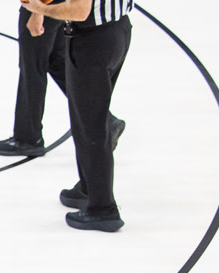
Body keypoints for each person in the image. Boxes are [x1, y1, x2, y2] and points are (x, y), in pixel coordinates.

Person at [25, 0, 133, 231]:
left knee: (90, 126)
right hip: (118, 30)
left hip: (92, 41)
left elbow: (80, 10)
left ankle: (103, 209)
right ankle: (89, 188)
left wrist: (40, 10)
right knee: (90, 118)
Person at [0, 7, 122, 159]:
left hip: (41, 6)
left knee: (32, 66)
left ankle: (28, 138)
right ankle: (106, 121)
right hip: (54, 7)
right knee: (54, 60)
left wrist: (37, 13)